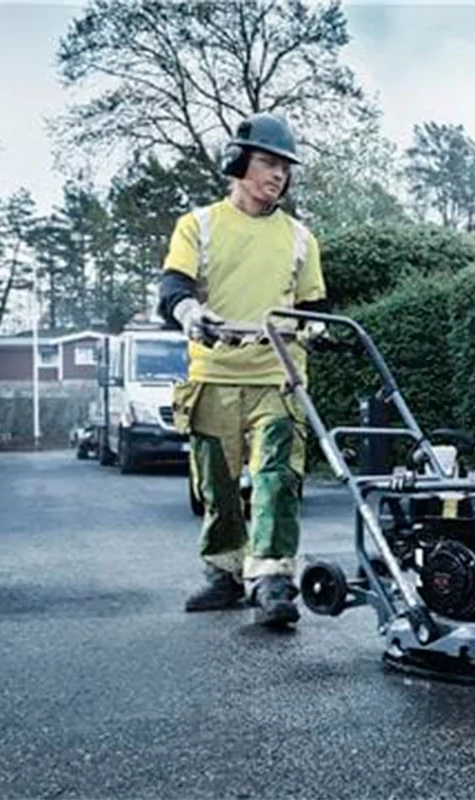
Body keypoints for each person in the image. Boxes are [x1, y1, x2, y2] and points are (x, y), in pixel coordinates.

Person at [157, 111, 328, 627]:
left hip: (278, 375)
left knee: (277, 477)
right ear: (237, 162)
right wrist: (190, 313)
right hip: (213, 373)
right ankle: (225, 573)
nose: (279, 174)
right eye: (269, 163)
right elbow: (174, 286)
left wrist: (314, 328)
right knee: (218, 484)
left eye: (285, 167)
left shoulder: (299, 237)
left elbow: (313, 304)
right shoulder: (199, 225)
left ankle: (273, 579)